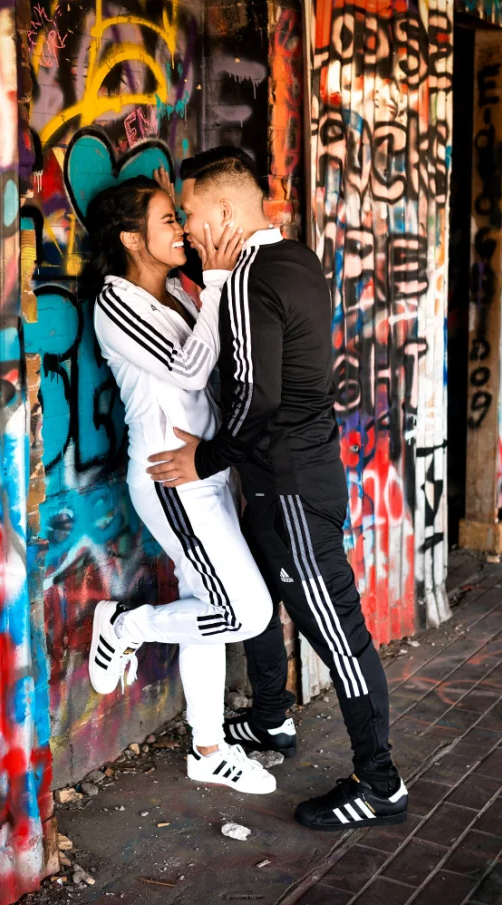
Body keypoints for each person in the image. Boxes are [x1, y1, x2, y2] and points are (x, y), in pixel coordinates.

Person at [147, 149, 410, 829]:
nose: (188, 229)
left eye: (195, 214)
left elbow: (254, 403)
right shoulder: (296, 258)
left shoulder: (244, 280)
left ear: (228, 213)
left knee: (338, 633)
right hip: (292, 479)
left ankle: (379, 782)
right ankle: (269, 720)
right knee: (259, 599)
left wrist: (203, 459)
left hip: (290, 487)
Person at [80, 174, 278, 795]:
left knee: (206, 607)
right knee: (245, 611)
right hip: (171, 478)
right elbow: (193, 370)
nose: (181, 230)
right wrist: (219, 282)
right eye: (169, 220)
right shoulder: (117, 301)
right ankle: (124, 628)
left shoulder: (178, 291)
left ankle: (208, 748)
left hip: (206, 468)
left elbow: (217, 360)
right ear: (132, 238)